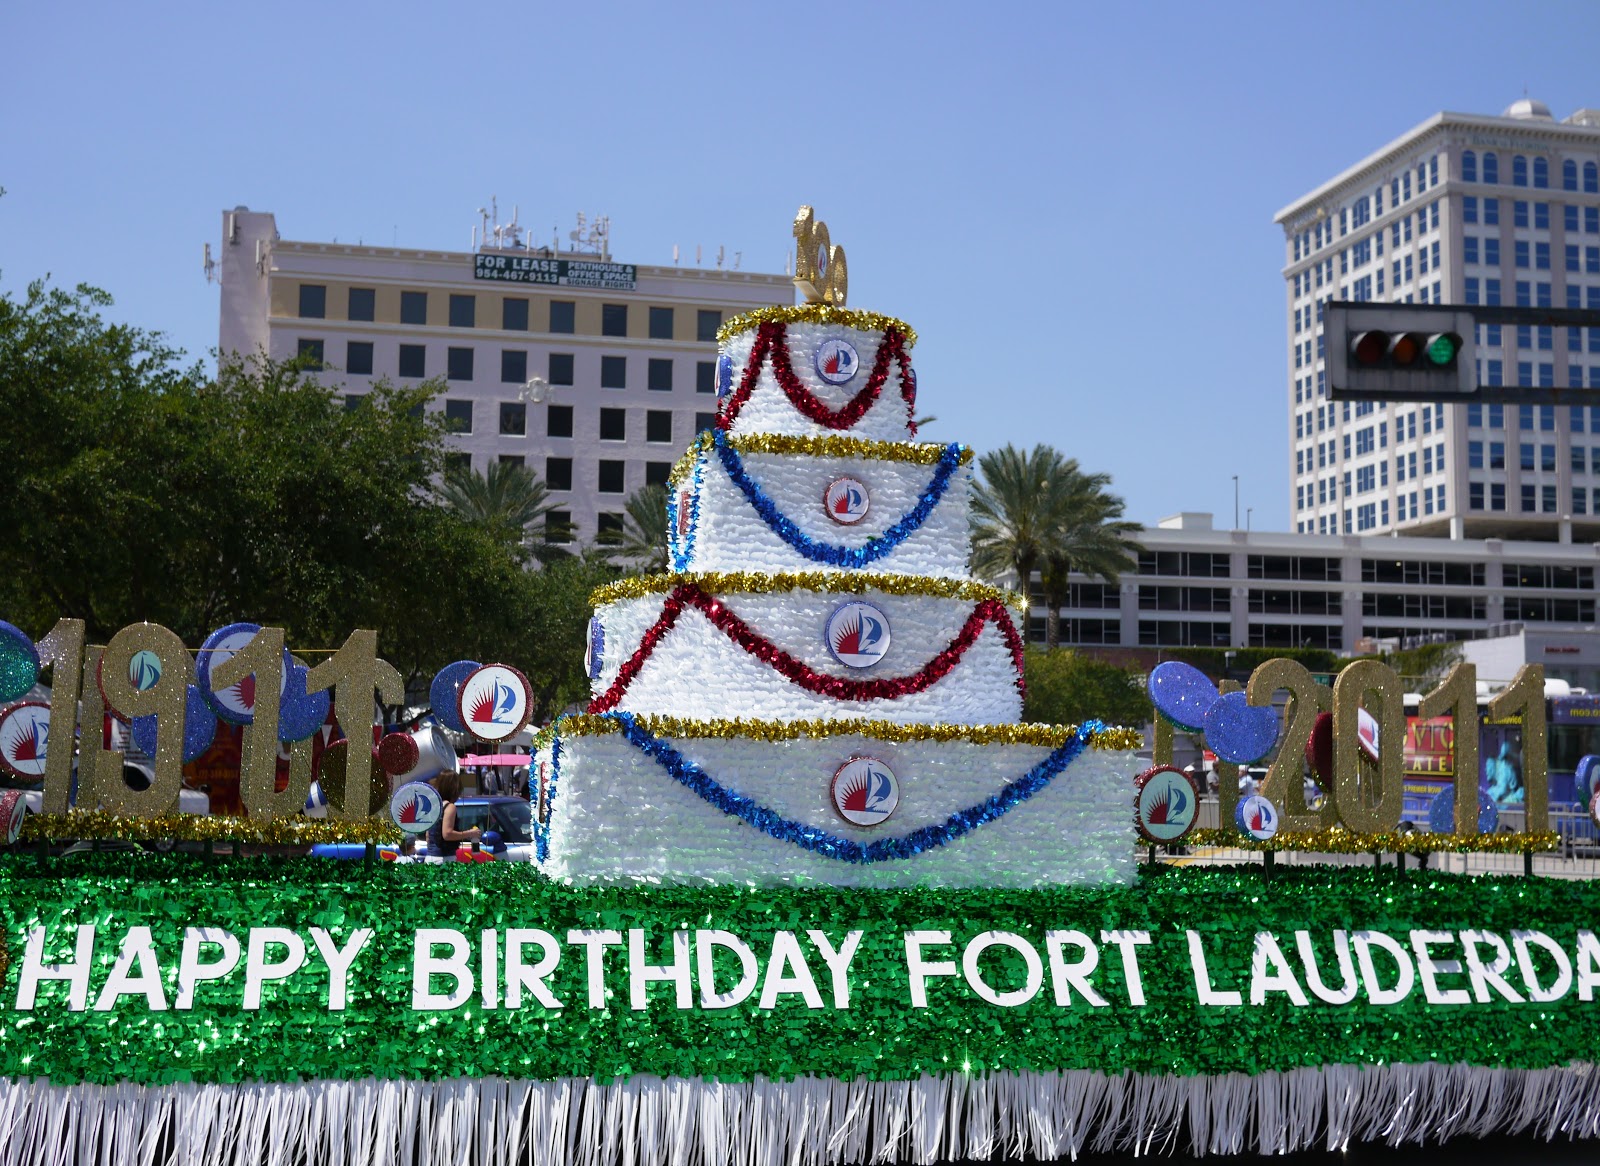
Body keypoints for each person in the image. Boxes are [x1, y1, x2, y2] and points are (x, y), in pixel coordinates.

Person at [426, 770, 480, 857]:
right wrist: (470, 833)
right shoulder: (450, 807)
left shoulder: (433, 805)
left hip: (431, 855)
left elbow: (428, 835)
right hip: (445, 857)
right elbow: (447, 834)